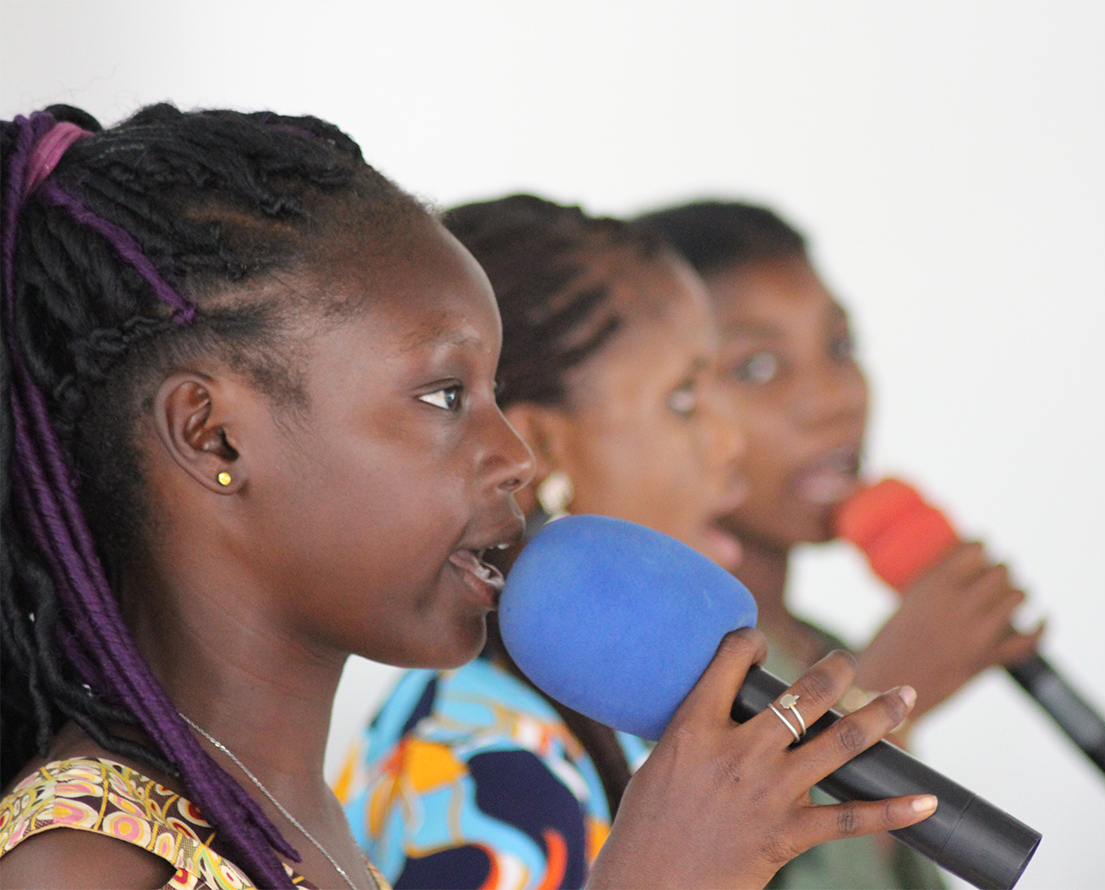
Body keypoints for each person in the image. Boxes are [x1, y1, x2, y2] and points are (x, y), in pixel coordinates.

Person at [0, 108, 935, 890]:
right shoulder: (84, 861)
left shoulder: (288, 811)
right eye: (447, 395)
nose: (517, 455)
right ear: (214, 435)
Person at [339, 194, 748, 888]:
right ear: (542, 450)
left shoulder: (575, 720)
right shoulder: (488, 765)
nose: (730, 442)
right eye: (683, 400)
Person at [639, 199, 1043, 888]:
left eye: (840, 348)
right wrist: (871, 703)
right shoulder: (661, 676)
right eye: (759, 368)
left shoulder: (815, 645)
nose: (834, 400)